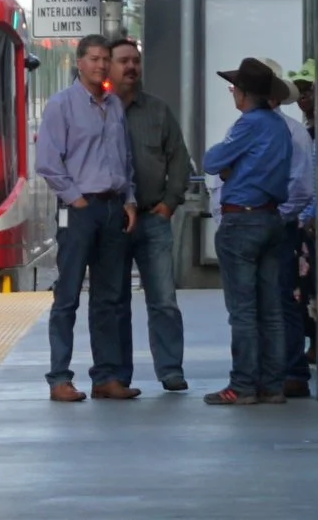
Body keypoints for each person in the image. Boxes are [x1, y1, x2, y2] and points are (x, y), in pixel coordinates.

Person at [34, 33, 139, 402]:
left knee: (109, 298)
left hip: (113, 207)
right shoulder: (61, 105)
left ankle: (106, 377)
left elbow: (123, 158)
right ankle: (59, 377)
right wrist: (75, 200)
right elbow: (48, 162)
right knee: (67, 295)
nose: (99, 65)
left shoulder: (114, 106)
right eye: (92, 58)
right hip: (79, 211)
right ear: (79, 63)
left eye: (103, 59)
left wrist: (129, 200)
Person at [200, 57, 297, 406]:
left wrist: (231, 165)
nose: (232, 95)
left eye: (233, 89)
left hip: (242, 221)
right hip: (272, 219)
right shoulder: (280, 126)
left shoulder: (249, 124)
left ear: (243, 94)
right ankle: (271, 385)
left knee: (242, 311)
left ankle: (241, 385)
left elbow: (212, 161)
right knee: (271, 310)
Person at [112, 36, 195, 392]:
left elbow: (179, 158)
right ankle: (117, 375)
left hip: (152, 219)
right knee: (114, 301)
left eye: (136, 60)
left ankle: (171, 370)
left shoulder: (158, 111)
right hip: (112, 222)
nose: (131, 67)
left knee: (163, 299)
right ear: (109, 67)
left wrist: (169, 203)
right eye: (123, 61)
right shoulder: (100, 109)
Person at [280, 63, 318, 397]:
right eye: (300, 91)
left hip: (308, 221)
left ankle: (312, 346)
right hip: (300, 220)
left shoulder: (316, 131)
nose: (304, 97)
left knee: (304, 290)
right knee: (300, 290)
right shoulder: (303, 129)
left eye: (309, 90)